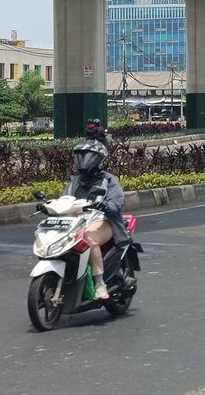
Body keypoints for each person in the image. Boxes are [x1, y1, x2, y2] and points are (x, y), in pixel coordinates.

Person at [63, 124, 127, 300]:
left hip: (104, 222)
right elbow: (65, 199)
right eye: (81, 157)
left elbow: (117, 201)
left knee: (89, 239)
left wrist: (106, 206)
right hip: (76, 222)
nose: (84, 160)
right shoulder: (75, 181)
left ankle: (100, 284)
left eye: (88, 157)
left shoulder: (108, 180)